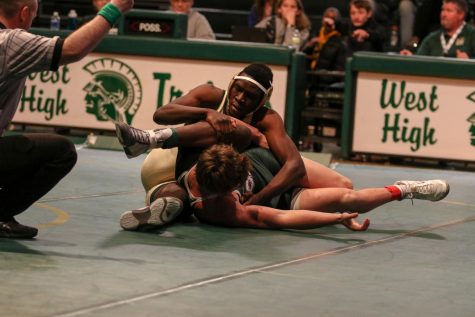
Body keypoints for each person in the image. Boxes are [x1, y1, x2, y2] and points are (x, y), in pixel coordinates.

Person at [115, 64, 354, 230]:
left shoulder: (268, 118)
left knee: (183, 200)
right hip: (168, 158)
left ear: (262, 100)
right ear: (231, 83)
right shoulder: (209, 94)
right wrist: (208, 113)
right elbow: (162, 113)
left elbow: (295, 166)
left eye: (249, 96)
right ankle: (148, 139)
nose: (239, 98)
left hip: (185, 177)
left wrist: (258, 198)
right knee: (237, 130)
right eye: (237, 89)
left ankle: (164, 209)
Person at [0, 0, 135, 238]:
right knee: (62, 150)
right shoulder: (11, 41)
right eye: (32, 15)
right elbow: (72, 49)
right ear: (23, 14)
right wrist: (115, 8)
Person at [126, 143, 450, 231]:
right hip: (288, 197)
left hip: (275, 162)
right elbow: (277, 220)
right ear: (222, 192)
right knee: (348, 197)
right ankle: (406, 189)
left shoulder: (206, 154)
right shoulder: (219, 209)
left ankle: (159, 206)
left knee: (345, 181)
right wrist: (334, 218)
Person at [400, 0, 475, 58]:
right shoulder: (432, 38)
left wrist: (469, 61)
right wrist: (411, 57)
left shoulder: (472, 35)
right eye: (442, 10)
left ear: (461, 15)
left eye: (449, 11)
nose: (443, 14)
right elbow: (419, 58)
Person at [303, 7, 347, 72]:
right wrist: (310, 45)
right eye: (327, 17)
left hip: (325, 77)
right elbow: (303, 56)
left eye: (332, 18)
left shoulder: (339, 42)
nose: (328, 21)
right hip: (309, 75)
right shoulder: (315, 34)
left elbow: (339, 69)